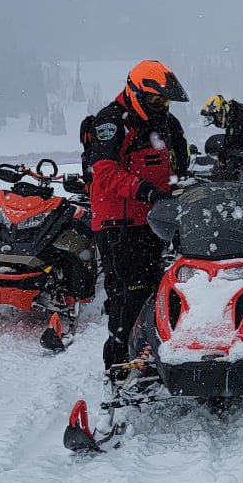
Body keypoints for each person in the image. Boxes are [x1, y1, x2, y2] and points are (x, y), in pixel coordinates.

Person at [85, 60, 190, 369]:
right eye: (157, 100)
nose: (162, 106)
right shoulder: (111, 122)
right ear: (136, 93)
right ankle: (118, 366)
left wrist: (180, 188)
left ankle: (153, 355)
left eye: (165, 101)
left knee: (157, 289)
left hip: (152, 221)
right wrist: (143, 190)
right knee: (126, 299)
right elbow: (104, 173)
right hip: (118, 224)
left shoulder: (162, 123)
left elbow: (174, 163)